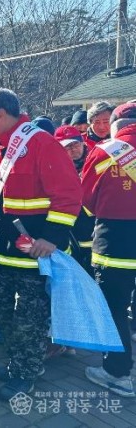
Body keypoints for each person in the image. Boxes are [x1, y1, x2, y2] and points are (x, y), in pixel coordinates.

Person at [0, 88, 81, 401]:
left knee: (30, 319)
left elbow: (68, 194)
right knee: (4, 313)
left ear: (2, 115)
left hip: (37, 252)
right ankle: (19, 362)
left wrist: (52, 238)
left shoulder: (40, 144)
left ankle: (26, 372)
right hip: (9, 251)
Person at [81, 103, 136, 398]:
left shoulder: (106, 150)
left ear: (116, 124)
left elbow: (87, 200)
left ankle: (118, 373)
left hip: (116, 240)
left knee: (113, 305)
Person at [54, 125, 93, 270]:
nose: (73, 150)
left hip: (93, 226)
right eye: (67, 147)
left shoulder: (95, 160)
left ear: (82, 142)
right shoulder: (54, 167)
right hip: (68, 226)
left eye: (75, 144)